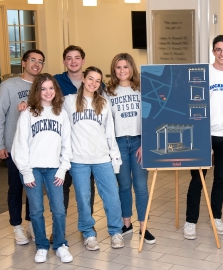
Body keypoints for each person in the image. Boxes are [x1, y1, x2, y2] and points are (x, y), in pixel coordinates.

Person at [183, 34, 223, 240]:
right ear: (213, 51)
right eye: (218, 49)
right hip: (202, 133)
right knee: (197, 178)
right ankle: (190, 221)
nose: (222, 53)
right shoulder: (202, 72)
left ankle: (216, 217)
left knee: (220, 178)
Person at [11, 73, 73, 263]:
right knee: (36, 211)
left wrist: (63, 168)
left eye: (51, 88)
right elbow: (19, 145)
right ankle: (42, 246)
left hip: (55, 169)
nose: (48, 92)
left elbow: (67, 144)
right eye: (43, 88)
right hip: (33, 170)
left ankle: (60, 244)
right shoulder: (28, 113)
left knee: (59, 210)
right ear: (37, 91)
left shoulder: (61, 113)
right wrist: (26, 172)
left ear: (56, 90)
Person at [63, 66, 125, 250]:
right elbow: (47, 105)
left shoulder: (104, 103)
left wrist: (115, 158)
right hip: (78, 159)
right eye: (91, 78)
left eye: (98, 81)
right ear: (83, 78)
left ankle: (115, 231)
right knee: (83, 197)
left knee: (112, 196)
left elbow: (110, 134)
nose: (93, 83)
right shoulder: (69, 101)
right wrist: (26, 104)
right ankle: (88, 233)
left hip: (102, 157)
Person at [0, 49, 45, 245]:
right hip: (14, 148)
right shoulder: (9, 86)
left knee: (34, 188)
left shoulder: (44, 86)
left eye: (40, 61)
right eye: (32, 60)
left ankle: (31, 223)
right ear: (23, 63)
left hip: (37, 148)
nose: (36, 64)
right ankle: (17, 226)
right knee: (15, 188)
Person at [104, 53, 156, 244]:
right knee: (124, 186)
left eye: (125, 67)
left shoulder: (142, 89)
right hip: (118, 144)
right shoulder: (108, 92)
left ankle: (144, 226)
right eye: (118, 67)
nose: (122, 71)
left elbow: (150, 118)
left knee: (141, 187)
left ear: (132, 68)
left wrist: (145, 142)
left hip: (138, 142)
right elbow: (106, 122)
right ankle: (127, 223)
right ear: (113, 70)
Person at [53, 45, 96, 224]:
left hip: (87, 146)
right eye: (69, 58)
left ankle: (87, 226)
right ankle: (58, 229)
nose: (73, 61)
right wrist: (25, 102)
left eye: (77, 58)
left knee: (86, 189)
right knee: (61, 187)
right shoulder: (56, 81)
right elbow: (40, 95)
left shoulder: (93, 82)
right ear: (64, 62)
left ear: (83, 61)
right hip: (62, 144)